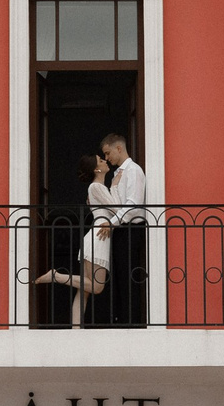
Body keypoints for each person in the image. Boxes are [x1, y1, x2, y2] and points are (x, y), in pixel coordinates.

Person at [33, 152, 115, 328]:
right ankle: (56, 276)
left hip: (95, 236)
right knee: (97, 286)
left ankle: (76, 328)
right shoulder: (97, 187)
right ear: (96, 169)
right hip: (99, 238)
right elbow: (118, 209)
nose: (105, 161)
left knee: (83, 289)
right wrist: (116, 186)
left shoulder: (97, 188)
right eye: (101, 160)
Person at [98, 132, 147, 327]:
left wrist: (112, 222)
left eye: (108, 153)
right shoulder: (116, 174)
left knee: (128, 278)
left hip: (130, 230)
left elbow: (133, 204)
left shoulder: (133, 171)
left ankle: (131, 323)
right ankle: (121, 320)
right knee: (118, 277)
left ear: (119, 148)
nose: (107, 158)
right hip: (119, 230)